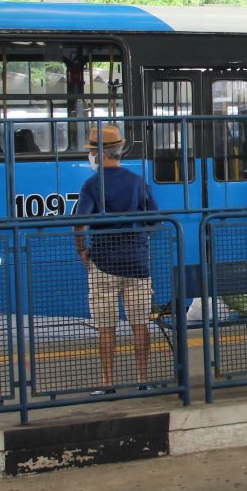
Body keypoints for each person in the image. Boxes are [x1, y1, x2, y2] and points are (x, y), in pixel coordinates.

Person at [73, 124, 158, 392]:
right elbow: (154, 218)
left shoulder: (91, 185)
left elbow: (80, 223)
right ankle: (143, 380)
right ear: (120, 150)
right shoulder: (137, 181)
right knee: (139, 323)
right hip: (137, 263)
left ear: (98, 153)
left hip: (104, 265)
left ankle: (108, 382)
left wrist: (81, 250)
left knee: (106, 328)